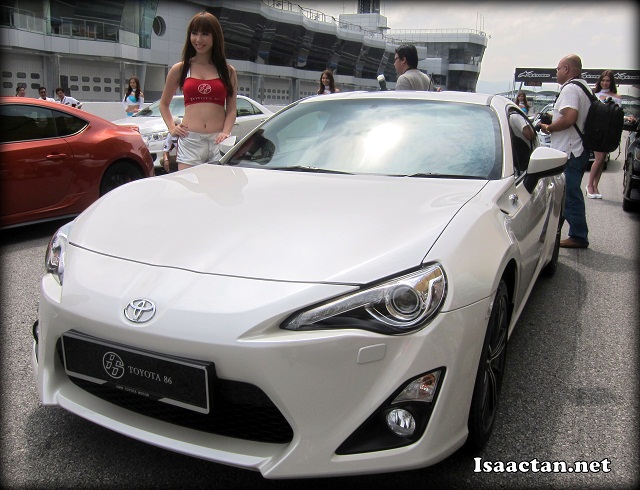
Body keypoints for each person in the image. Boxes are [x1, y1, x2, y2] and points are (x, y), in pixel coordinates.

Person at [159, 11, 237, 171]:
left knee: (218, 191)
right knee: (189, 193)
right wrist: (172, 128)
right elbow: (164, 104)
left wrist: (226, 132)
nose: (198, 39)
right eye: (194, 33)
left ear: (215, 37)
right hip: (190, 141)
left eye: (205, 34)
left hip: (218, 142)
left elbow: (231, 109)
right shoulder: (180, 69)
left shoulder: (227, 71)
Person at [539, 54, 592, 249]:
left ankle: (578, 235)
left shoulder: (570, 89)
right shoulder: (584, 87)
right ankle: (554, 231)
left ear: (567, 69)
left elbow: (570, 117)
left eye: (558, 69)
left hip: (570, 151)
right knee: (565, 193)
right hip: (579, 149)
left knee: (569, 193)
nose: (556, 72)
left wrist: (549, 128)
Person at [586, 70, 622, 199]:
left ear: (611, 82)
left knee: (602, 160)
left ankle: (596, 186)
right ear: (599, 81)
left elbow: (618, 116)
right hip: (596, 132)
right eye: (603, 80)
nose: (605, 83)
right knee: (599, 158)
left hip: (609, 132)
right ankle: (589, 185)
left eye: (608, 81)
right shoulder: (594, 95)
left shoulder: (617, 97)